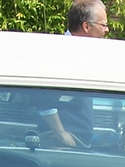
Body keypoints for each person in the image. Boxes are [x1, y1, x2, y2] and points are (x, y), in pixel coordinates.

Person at [40, 1, 109, 147]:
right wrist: (60, 133)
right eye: (103, 25)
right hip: (61, 145)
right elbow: (43, 99)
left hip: (82, 141)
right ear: (86, 26)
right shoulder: (60, 55)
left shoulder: (87, 54)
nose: (107, 30)